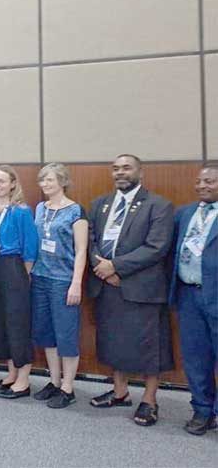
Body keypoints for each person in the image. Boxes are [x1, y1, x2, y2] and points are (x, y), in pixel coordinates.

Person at [88, 155, 174, 427]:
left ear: (140, 172)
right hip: (106, 285)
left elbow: (156, 247)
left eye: (126, 168)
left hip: (141, 288)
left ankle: (149, 400)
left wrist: (116, 267)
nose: (120, 173)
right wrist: (101, 268)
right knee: (113, 340)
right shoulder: (100, 204)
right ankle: (120, 391)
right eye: (115, 168)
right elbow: (89, 239)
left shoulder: (159, 206)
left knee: (149, 345)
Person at [30, 163, 88, 409]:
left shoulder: (75, 211)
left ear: (62, 182)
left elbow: (81, 250)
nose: (45, 185)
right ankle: (54, 381)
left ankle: (68, 387)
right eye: (42, 180)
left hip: (64, 280)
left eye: (50, 180)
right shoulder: (40, 208)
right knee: (46, 333)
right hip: (40, 278)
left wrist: (76, 283)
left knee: (65, 334)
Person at [169, 163, 218, 435]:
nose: (202, 186)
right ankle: (202, 410)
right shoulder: (185, 213)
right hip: (189, 294)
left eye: (210, 181)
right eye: (200, 181)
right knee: (195, 357)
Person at [0, 165, 39, 399]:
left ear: (13, 184)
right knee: (0, 322)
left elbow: (30, 247)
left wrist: (23, 276)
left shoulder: (21, 211)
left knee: (17, 323)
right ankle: (11, 373)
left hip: (14, 268)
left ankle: (24, 379)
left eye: (2, 181)